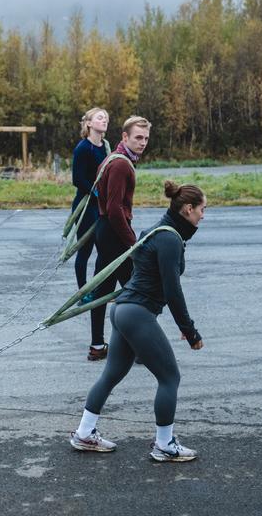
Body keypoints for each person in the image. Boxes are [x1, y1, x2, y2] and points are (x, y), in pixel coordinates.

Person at [69, 180, 206, 462]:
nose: (203, 216)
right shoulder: (170, 239)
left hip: (123, 310)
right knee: (170, 378)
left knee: (112, 374)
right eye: (202, 209)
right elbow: (172, 290)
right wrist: (189, 330)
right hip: (137, 314)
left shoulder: (155, 231)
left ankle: (84, 433)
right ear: (188, 209)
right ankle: (165, 445)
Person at [85, 115, 150, 361]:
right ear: (125, 137)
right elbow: (114, 209)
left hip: (106, 230)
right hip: (114, 233)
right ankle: (140, 348)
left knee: (103, 290)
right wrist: (133, 243)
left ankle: (97, 346)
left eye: (146, 138)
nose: (142, 143)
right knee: (137, 291)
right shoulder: (121, 164)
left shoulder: (112, 158)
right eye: (138, 137)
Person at [70, 107, 111, 308]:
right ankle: (82, 294)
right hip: (85, 206)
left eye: (106, 118)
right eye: (100, 117)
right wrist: (95, 193)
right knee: (85, 250)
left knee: (104, 249)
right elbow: (77, 179)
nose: (104, 121)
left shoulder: (106, 147)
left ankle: (99, 289)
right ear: (89, 123)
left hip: (102, 206)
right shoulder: (83, 148)